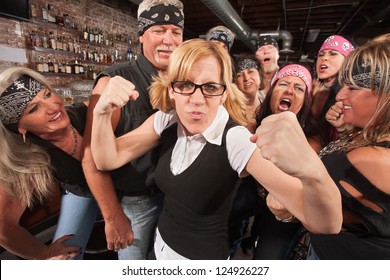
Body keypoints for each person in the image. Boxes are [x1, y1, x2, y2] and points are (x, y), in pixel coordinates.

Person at [90, 39, 342, 260]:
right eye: (186, 85)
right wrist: (102, 113)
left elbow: (326, 223)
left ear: (223, 94)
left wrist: (312, 171)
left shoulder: (235, 139)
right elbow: (107, 159)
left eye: (210, 87)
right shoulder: (168, 120)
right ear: (171, 90)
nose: (197, 100)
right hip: (160, 248)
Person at [258, 39, 390, 259]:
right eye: (342, 85)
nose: (339, 96)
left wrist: (241, 145)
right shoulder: (366, 137)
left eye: (354, 88)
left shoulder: (374, 159)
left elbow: (304, 210)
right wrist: (346, 130)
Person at [81, 0, 184, 259]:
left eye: (176, 31)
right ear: (141, 36)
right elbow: (90, 157)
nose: (168, 40)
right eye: (159, 30)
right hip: (137, 204)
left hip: (175, 199)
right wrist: (113, 216)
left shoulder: (184, 81)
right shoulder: (113, 81)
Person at [0, 67, 99, 259]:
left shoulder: (85, 114)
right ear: (21, 128)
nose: (53, 108)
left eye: (47, 94)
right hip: (81, 192)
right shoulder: (30, 155)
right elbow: (3, 226)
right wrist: (45, 253)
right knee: (64, 262)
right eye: (34, 108)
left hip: (123, 187)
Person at [228, 54, 264, 257]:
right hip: (237, 178)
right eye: (240, 75)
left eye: (251, 71)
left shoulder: (271, 103)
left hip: (264, 178)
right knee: (235, 224)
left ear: (259, 75)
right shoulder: (231, 106)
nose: (246, 78)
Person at [306, 35, 354, 152]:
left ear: (347, 61)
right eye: (321, 54)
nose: (324, 58)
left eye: (333, 54)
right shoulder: (310, 88)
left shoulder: (351, 95)